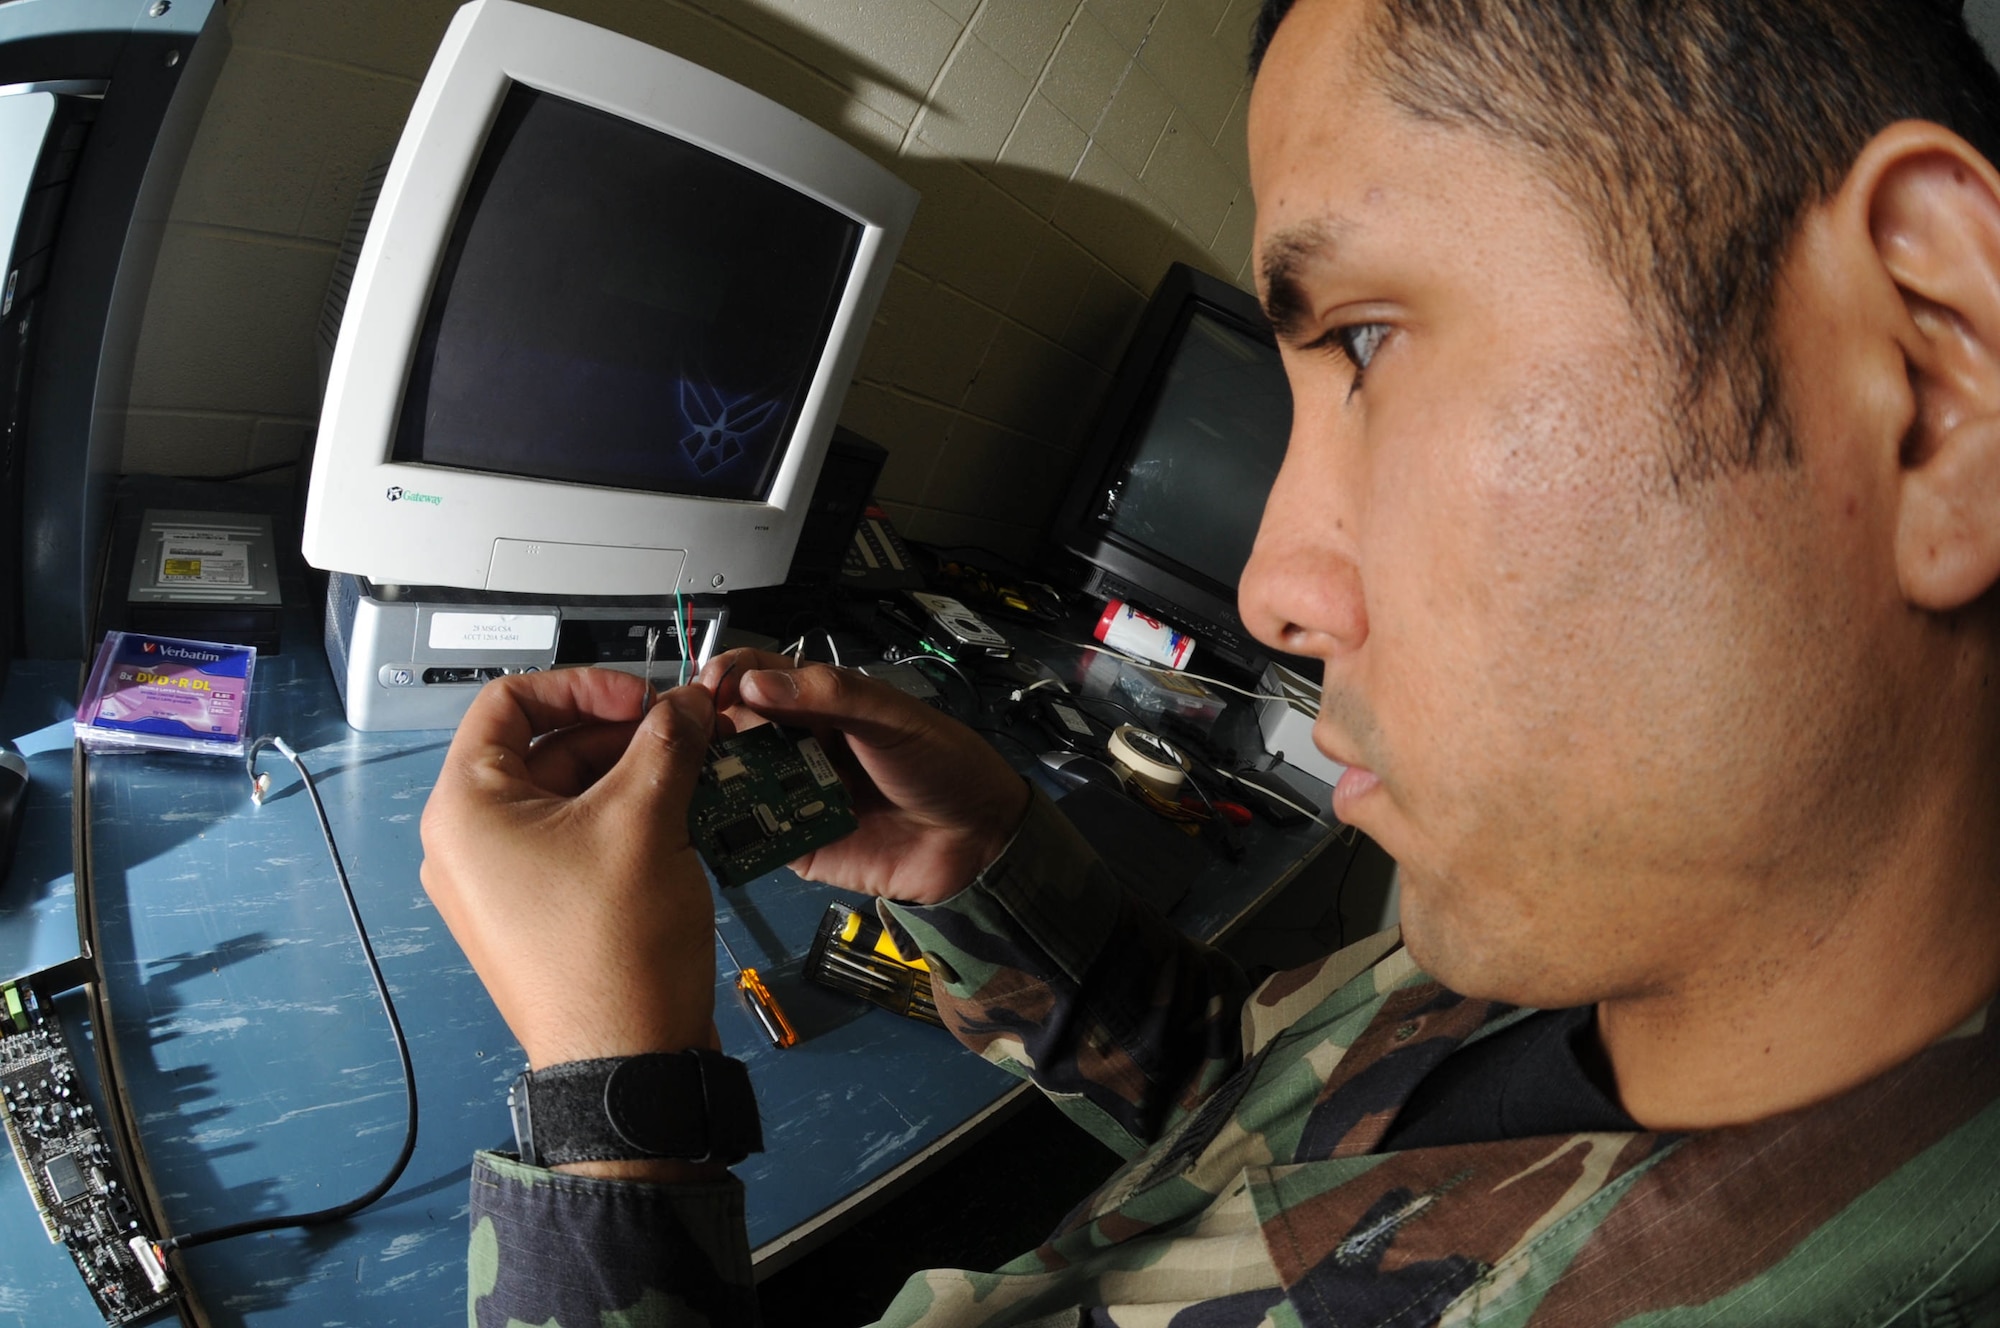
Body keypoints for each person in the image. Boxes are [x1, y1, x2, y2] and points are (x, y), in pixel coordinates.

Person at [419, 0, 2000, 1322]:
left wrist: (614, 1118)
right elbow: (1264, 1131)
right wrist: (990, 875)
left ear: (1930, 373)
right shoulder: (1614, 897)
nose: (1269, 592)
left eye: (1367, 342)